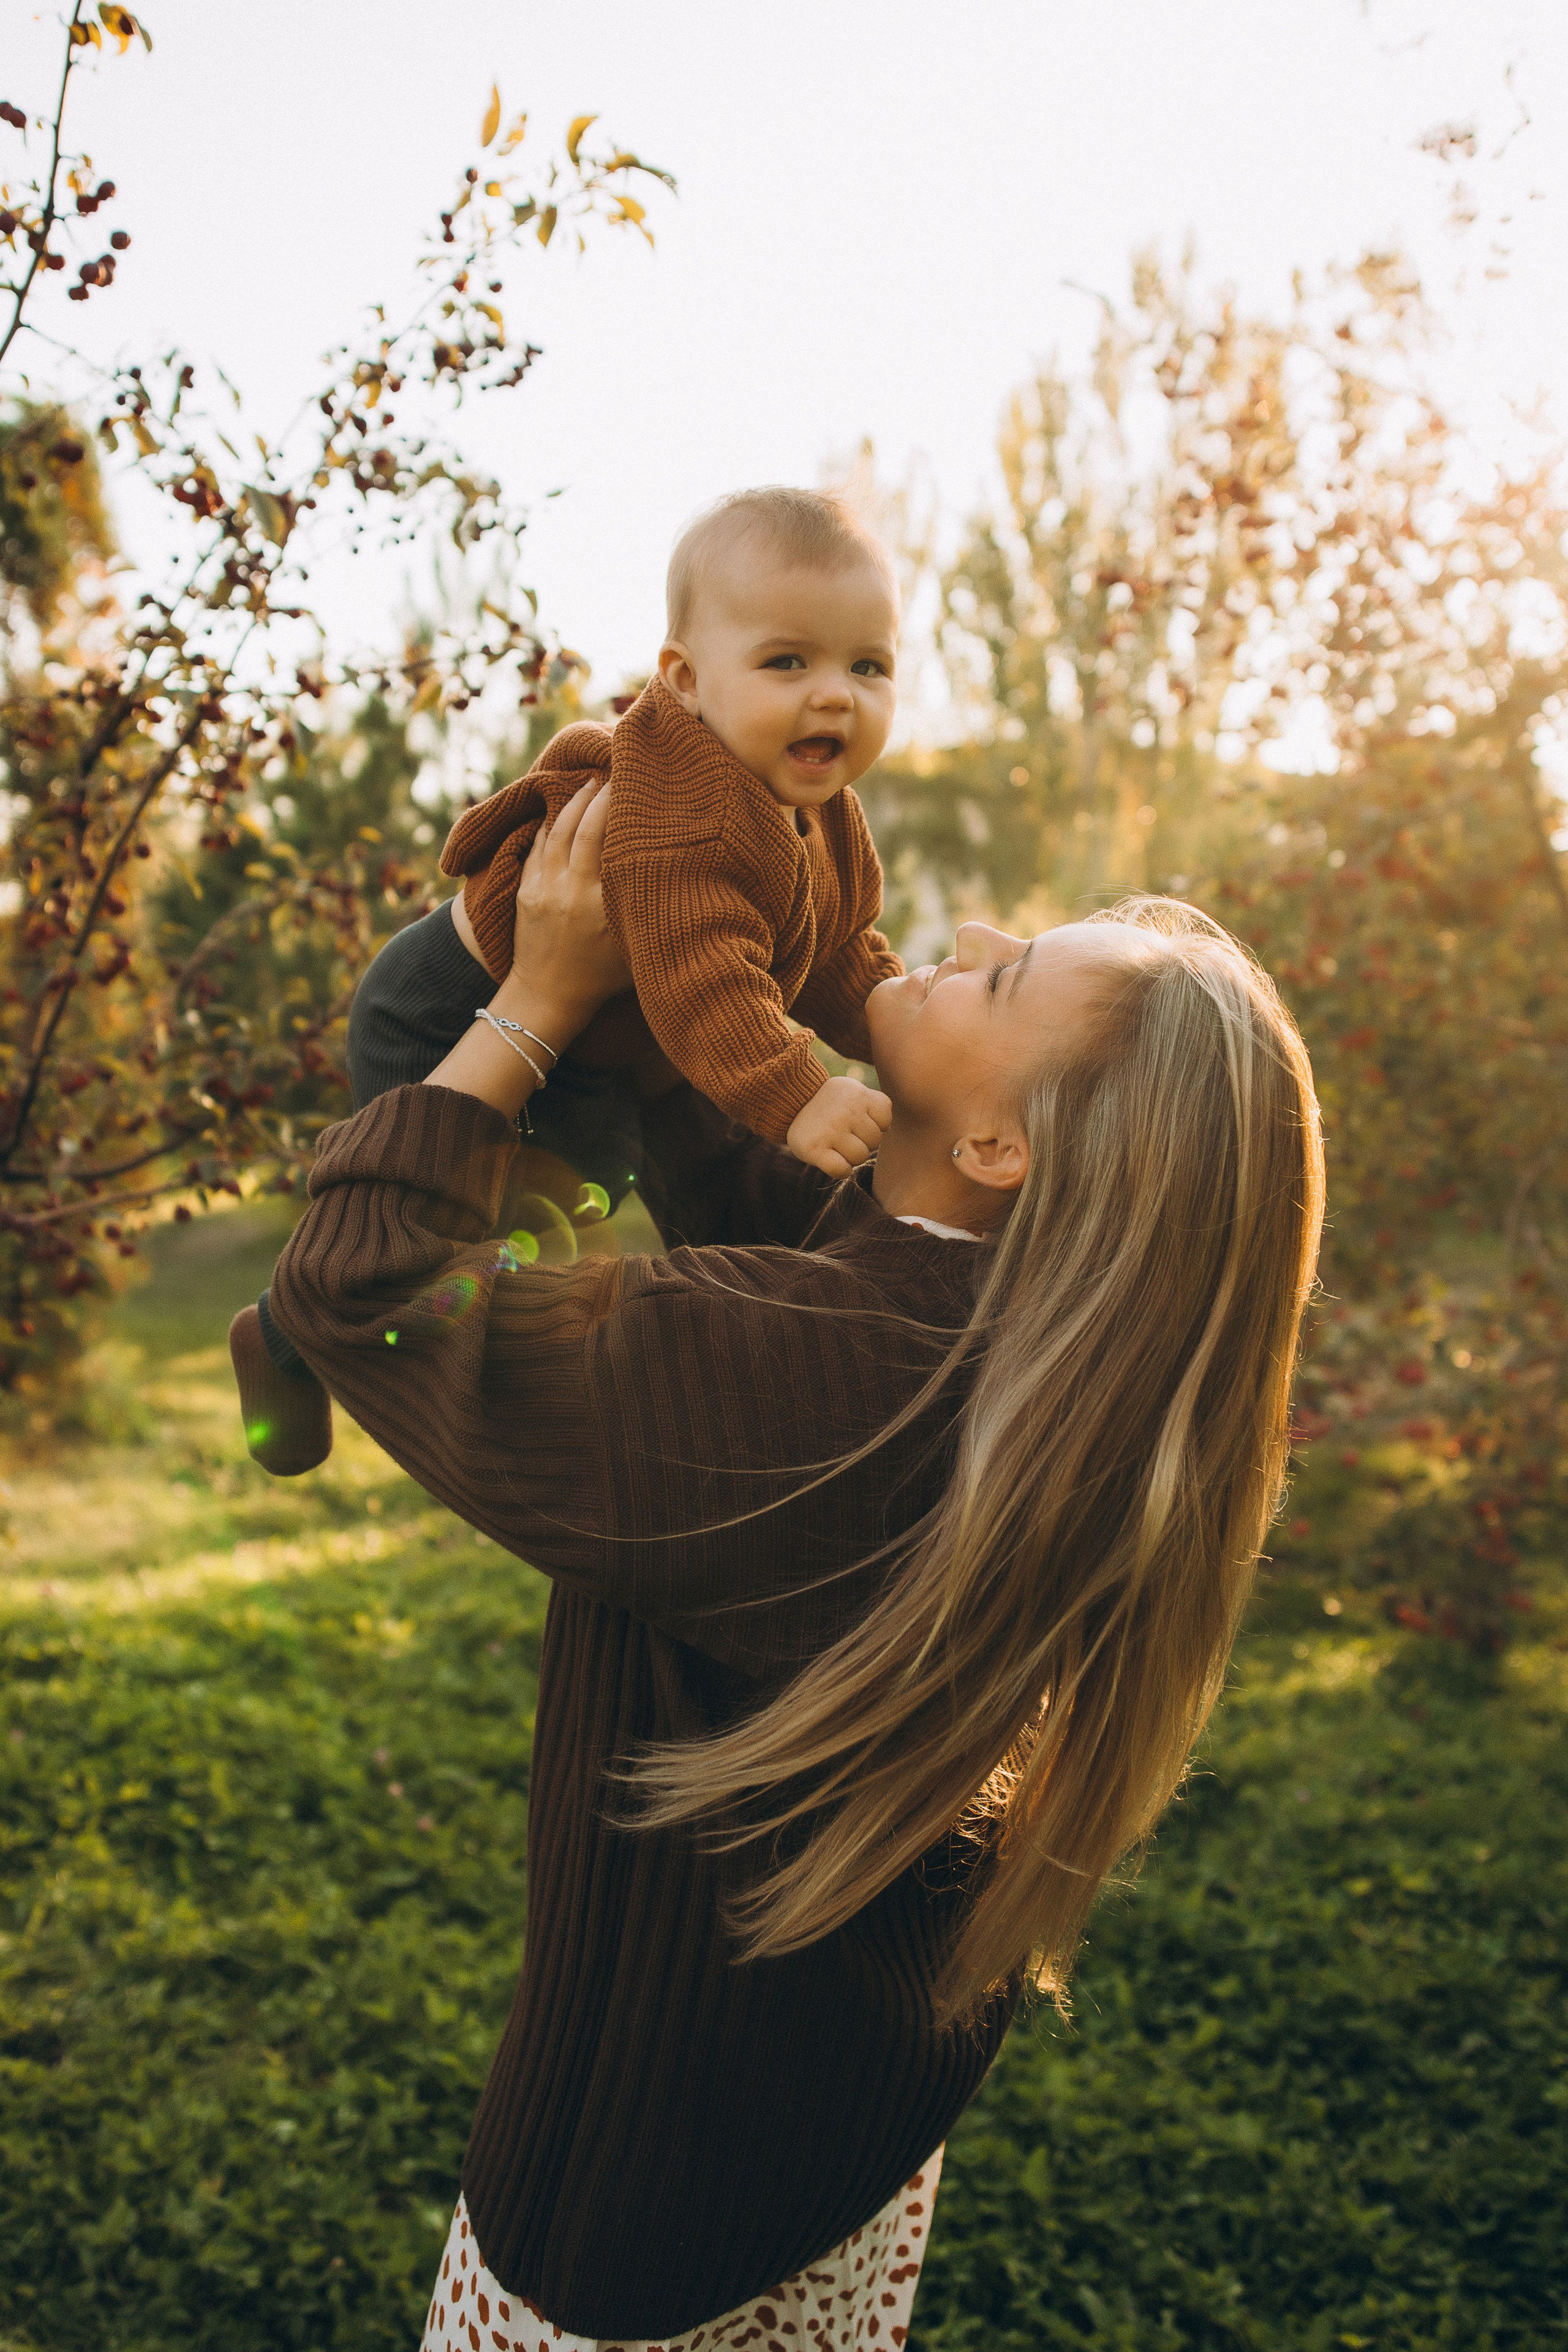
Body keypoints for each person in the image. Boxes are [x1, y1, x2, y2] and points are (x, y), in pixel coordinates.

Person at [265, 783, 1325, 2350]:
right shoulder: (1012, 1344)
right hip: (827, 2148)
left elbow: (368, 1297)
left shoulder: (806, 1387)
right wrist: (690, 920)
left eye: (1007, 972)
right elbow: (750, 1167)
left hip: (630, 2243)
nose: (965, 933)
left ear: (995, 1140)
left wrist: (530, 1007)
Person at [232, 485, 906, 1477]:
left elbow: (835, 944)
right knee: (430, 1230)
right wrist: (799, 1095)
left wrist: (893, 1020)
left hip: (591, 1043)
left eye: (868, 665)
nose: (835, 694)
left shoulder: (818, 808)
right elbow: (706, 982)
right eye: (786, 662)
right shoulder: (689, 809)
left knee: (556, 1222)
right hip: (445, 1009)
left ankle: (348, 1346)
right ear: (682, 679)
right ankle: (295, 1333)